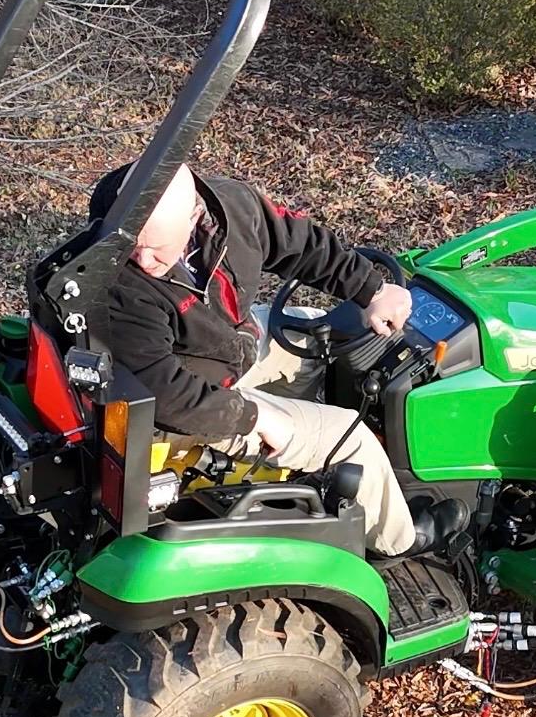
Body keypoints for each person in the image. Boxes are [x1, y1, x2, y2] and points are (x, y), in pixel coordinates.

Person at [87, 161, 424, 557]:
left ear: (196, 214)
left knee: (317, 330)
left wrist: (371, 289)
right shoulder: (121, 284)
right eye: (135, 245)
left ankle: (301, 466)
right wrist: (255, 417)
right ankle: (400, 545)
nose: (143, 260)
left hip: (228, 347)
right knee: (352, 439)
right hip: (187, 401)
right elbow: (165, 392)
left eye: (157, 249)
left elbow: (300, 243)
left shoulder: (234, 207)